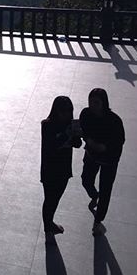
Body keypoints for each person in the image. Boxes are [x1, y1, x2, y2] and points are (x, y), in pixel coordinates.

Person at [79, 88, 125, 236]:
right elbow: (83, 130)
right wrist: (88, 140)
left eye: (97, 102)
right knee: (86, 180)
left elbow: (119, 141)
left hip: (109, 160)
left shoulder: (114, 121)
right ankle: (94, 195)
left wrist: (103, 147)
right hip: (92, 155)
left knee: (105, 190)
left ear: (104, 103)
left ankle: (98, 221)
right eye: (91, 102)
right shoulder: (86, 114)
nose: (93, 105)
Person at [41, 96, 82, 236]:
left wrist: (77, 136)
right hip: (50, 170)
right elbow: (52, 146)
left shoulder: (70, 124)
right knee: (49, 200)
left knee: (55, 199)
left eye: (69, 111)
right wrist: (67, 135)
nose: (66, 114)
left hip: (63, 169)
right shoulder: (47, 125)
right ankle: (48, 228)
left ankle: (49, 223)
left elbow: (77, 144)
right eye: (63, 111)